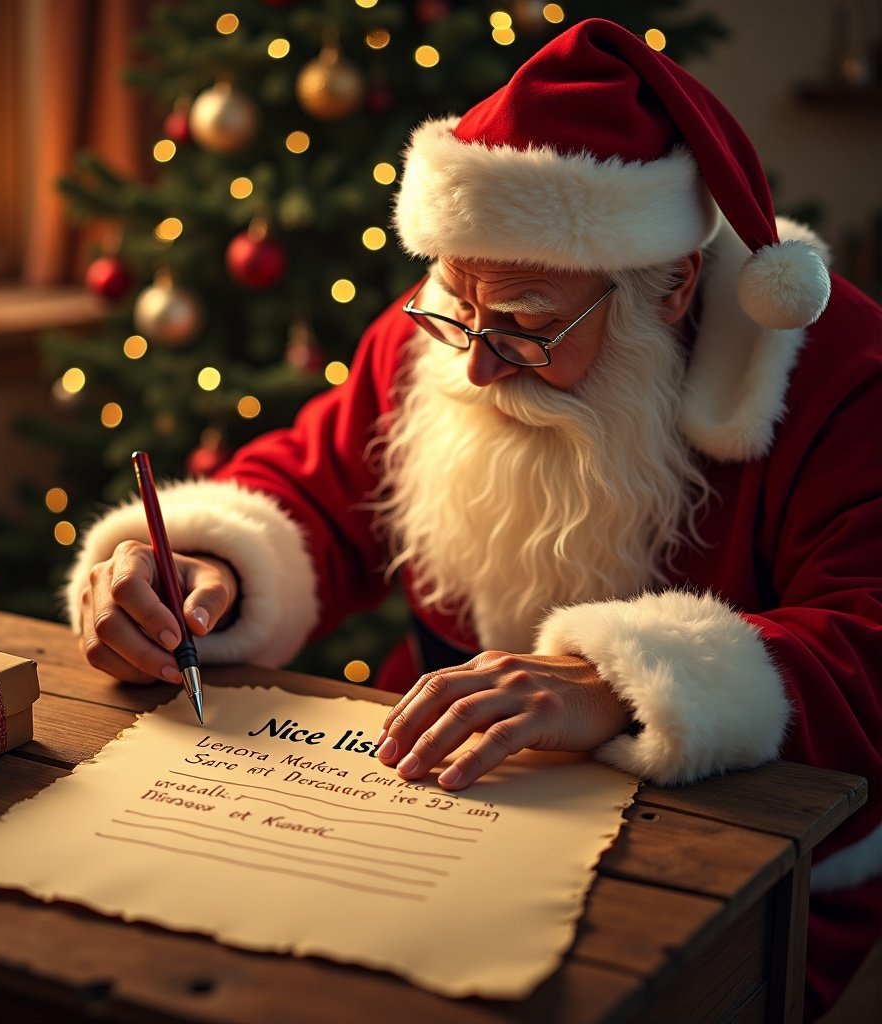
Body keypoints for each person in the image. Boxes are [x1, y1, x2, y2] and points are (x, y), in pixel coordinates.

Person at [64, 19, 880, 1019]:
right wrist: (200, 564)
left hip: (746, 869)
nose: (476, 365)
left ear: (667, 287)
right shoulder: (457, 322)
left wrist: (619, 685)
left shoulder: (830, 366)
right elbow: (316, 488)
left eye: (528, 327)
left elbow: (870, 640)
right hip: (442, 815)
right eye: (454, 307)